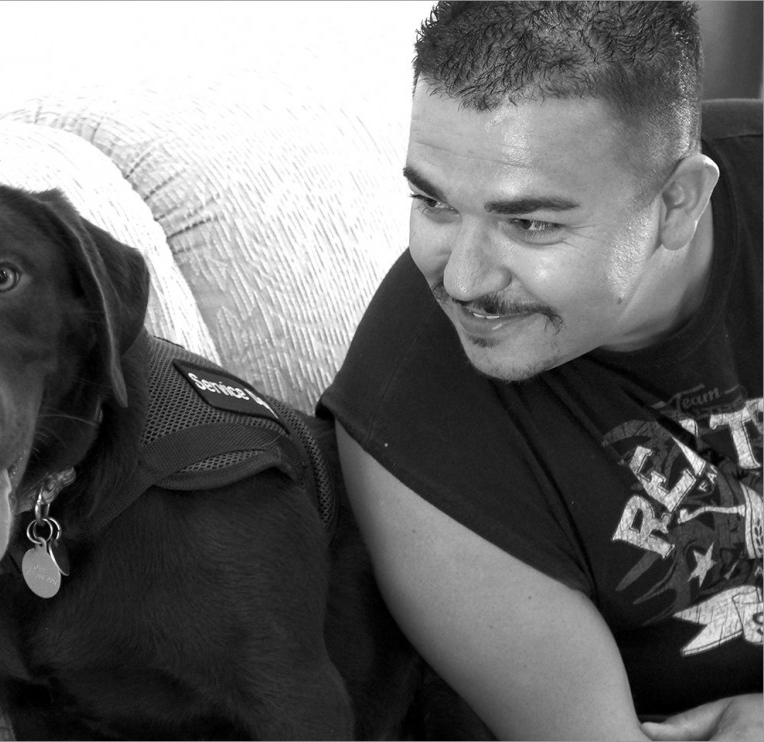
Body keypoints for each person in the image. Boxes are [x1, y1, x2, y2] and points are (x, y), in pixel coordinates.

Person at [319, 2, 762, 739]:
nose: (461, 281)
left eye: (529, 223)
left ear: (677, 203)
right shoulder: (406, 426)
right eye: (431, 202)